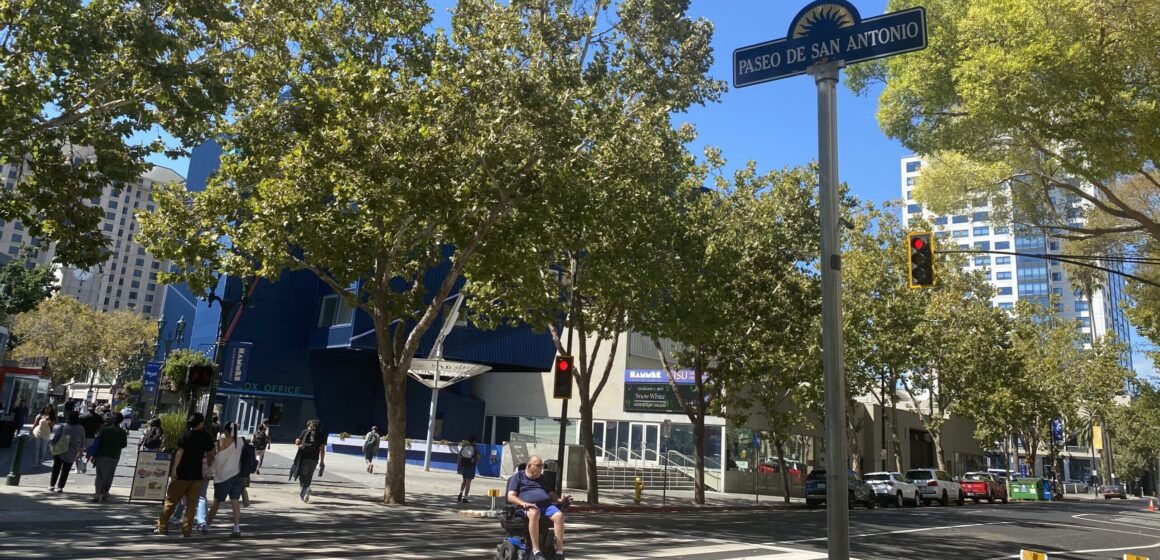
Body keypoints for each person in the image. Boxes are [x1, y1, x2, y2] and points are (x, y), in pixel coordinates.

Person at [157, 412, 215, 537]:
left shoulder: (185, 435)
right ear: (201, 423)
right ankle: (187, 530)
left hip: (182, 473)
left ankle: (162, 526)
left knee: (171, 501)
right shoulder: (206, 437)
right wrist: (209, 466)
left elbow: (179, 453)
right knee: (191, 505)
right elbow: (211, 454)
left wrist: (174, 469)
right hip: (196, 475)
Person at [506, 455, 570, 560]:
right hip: (528, 506)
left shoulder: (542, 478)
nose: (541, 468)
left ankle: (559, 552)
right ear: (529, 466)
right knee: (534, 513)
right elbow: (510, 496)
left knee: (559, 515)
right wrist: (523, 503)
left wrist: (559, 500)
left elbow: (551, 494)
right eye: (538, 465)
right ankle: (536, 551)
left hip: (546, 506)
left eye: (542, 465)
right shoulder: (518, 477)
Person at [206, 422, 244, 537]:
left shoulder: (223, 441)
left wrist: (211, 470)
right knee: (235, 501)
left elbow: (218, 457)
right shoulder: (241, 441)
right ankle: (236, 528)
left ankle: (207, 525)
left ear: (227, 431)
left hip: (223, 475)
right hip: (237, 474)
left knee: (217, 501)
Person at [91, 412, 128, 502]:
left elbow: (99, 443)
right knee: (110, 475)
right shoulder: (122, 432)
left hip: (102, 454)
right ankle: (105, 493)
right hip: (115, 455)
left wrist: (94, 455)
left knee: (100, 475)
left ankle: (97, 494)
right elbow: (124, 444)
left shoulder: (105, 430)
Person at [48, 411, 86, 493]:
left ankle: (52, 485)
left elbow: (55, 439)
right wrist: (80, 452)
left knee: (56, 468)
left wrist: (51, 447)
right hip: (72, 452)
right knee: (66, 470)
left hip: (59, 450)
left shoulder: (63, 427)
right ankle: (60, 487)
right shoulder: (81, 429)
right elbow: (82, 443)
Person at [293, 419, 325, 502]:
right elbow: (322, 449)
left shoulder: (305, 431)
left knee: (302, 474)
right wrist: (322, 461)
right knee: (309, 475)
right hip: (314, 458)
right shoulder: (321, 435)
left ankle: (305, 490)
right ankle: (306, 489)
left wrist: (298, 441)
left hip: (304, 457)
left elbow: (297, 442)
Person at [77, 405, 103, 474]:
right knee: (90, 451)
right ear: (95, 408)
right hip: (92, 436)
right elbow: (101, 427)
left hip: (81, 436)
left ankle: (79, 466)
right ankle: (85, 461)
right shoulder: (98, 417)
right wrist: (98, 434)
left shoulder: (82, 416)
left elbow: (78, 425)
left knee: (79, 451)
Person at [457, 435, 479, 503]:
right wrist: (474, 459)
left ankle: (460, 493)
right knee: (468, 483)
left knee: (464, 481)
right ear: (474, 441)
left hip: (464, 466)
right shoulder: (475, 448)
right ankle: (465, 498)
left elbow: (460, 455)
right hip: (471, 467)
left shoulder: (464, 447)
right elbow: (478, 458)